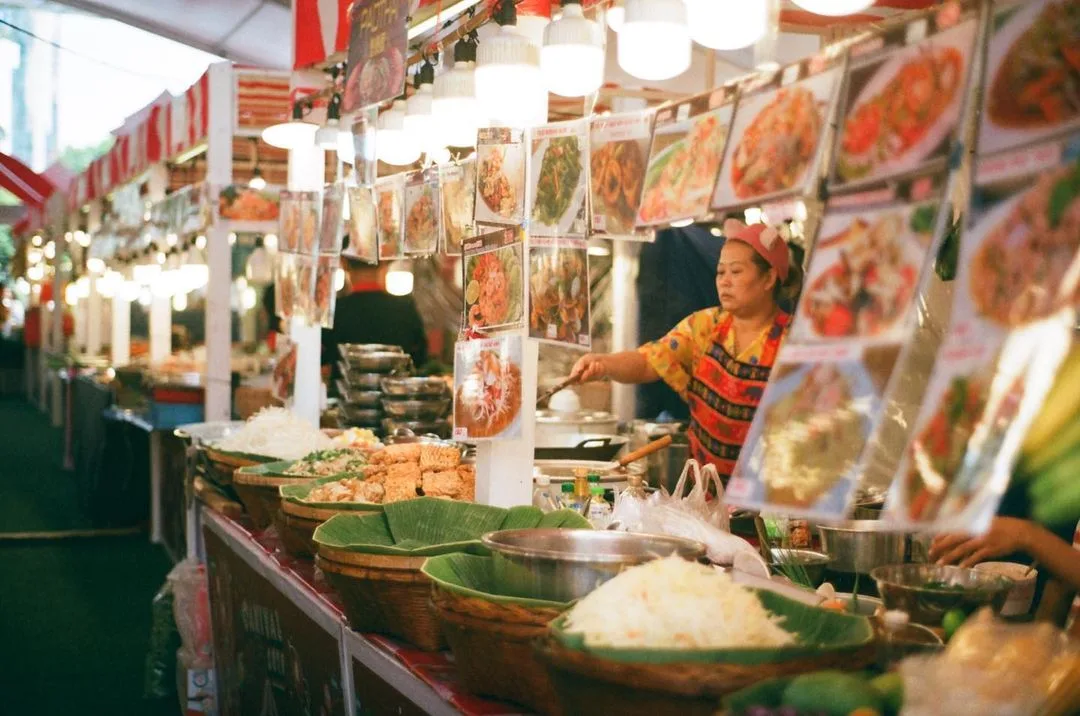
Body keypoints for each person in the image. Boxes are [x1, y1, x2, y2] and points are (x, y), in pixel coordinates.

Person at [570, 220, 803, 479]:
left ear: (769, 277)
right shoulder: (705, 326)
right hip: (707, 495)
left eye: (736, 272)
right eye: (720, 272)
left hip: (769, 501)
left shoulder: (794, 342)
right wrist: (604, 364)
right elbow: (648, 361)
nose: (724, 282)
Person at [322, 254, 428, 374]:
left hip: (343, 391)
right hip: (395, 390)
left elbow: (323, 357)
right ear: (383, 263)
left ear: (344, 263)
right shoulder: (405, 308)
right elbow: (420, 356)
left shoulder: (334, 311)